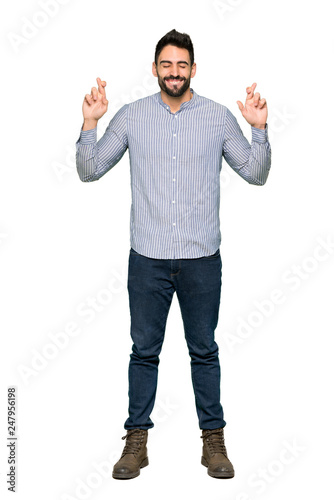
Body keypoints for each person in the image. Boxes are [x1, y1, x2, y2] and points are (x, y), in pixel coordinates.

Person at [75, 29, 271, 480]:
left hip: (203, 259)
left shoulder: (219, 118)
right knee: (144, 351)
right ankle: (136, 442)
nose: (175, 72)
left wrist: (258, 131)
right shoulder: (131, 116)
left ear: (194, 70)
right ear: (155, 69)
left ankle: (214, 443)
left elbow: (256, 175)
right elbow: (89, 170)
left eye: (182, 65)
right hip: (148, 260)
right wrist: (91, 123)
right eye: (167, 64)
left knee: (204, 350)